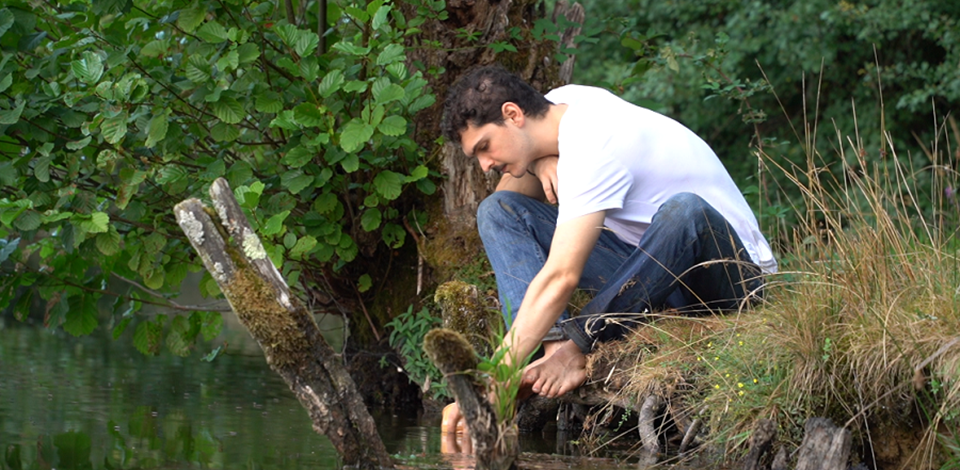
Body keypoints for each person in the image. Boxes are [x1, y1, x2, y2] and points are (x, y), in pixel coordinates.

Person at [438, 65, 777, 435]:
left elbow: (562, 276)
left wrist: (492, 376)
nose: (485, 165)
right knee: (498, 211)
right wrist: (538, 160)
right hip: (654, 276)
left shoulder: (595, 143)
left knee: (685, 212)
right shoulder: (565, 101)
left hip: (732, 281)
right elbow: (510, 196)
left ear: (512, 114)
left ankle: (574, 350)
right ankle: (550, 352)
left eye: (484, 147)